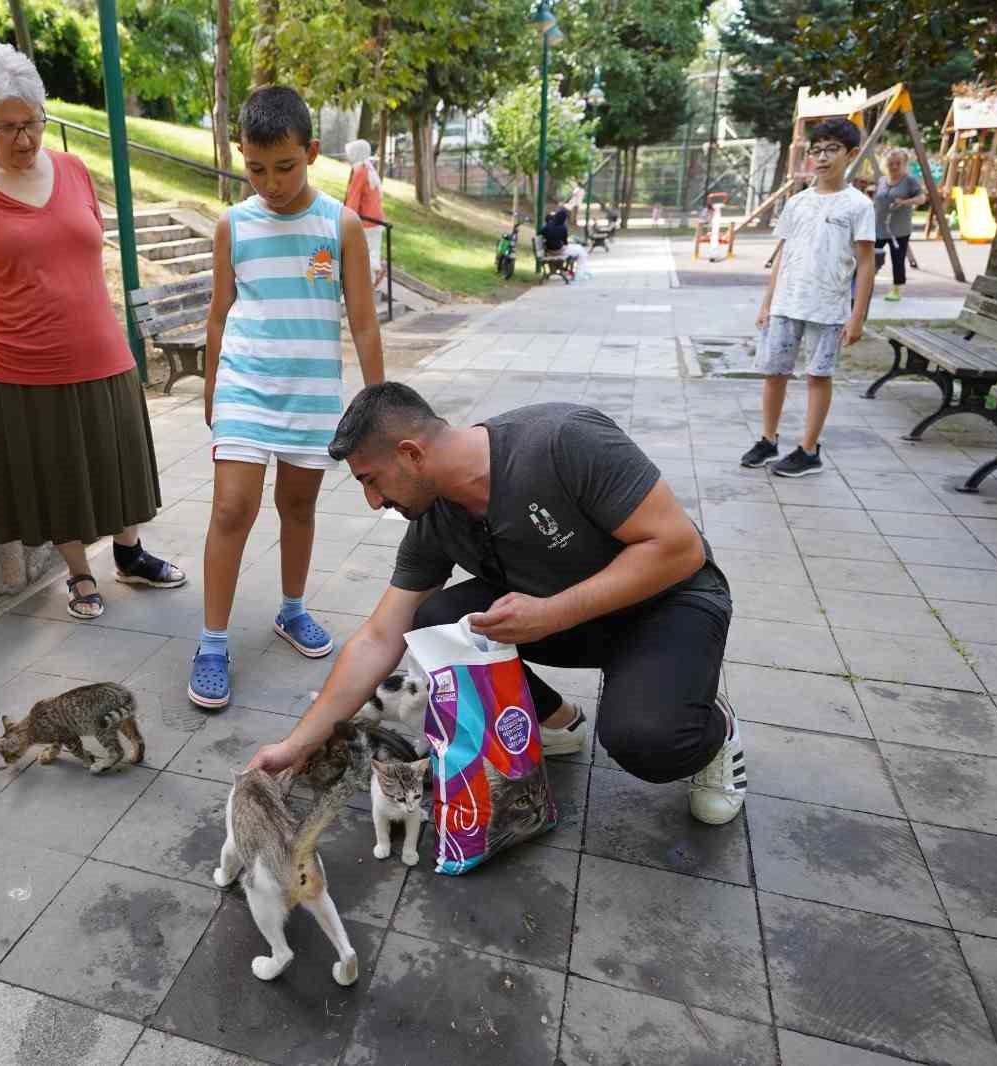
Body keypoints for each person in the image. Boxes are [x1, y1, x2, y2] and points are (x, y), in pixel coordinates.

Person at [246, 383, 745, 825]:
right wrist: (296, 745)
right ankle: (558, 722)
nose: (373, 502)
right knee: (437, 618)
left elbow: (680, 548)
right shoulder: (435, 518)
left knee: (647, 741)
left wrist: (551, 613)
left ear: (411, 453)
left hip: (668, 603)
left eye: (370, 480)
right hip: (570, 613)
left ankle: (712, 729)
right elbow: (380, 636)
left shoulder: (563, 439)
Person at [0, 44, 185, 621]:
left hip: (98, 346)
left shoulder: (74, 170)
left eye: (33, 123)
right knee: (56, 473)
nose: (24, 139)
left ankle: (129, 554)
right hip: (16, 359)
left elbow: (83, 252)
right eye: (8, 128)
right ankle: (78, 572)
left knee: (114, 460)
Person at [189, 86, 386, 710]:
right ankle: (212, 642)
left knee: (298, 507)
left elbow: (362, 322)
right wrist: (212, 384)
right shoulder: (233, 225)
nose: (270, 183)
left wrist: (377, 406)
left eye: (284, 167)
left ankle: (292, 610)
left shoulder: (339, 224)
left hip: (311, 392)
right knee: (232, 508)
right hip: (248, 383)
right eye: (254, 168)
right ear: (240, 156)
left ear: (311, 153)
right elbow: (219, 314)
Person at [740, 117, 876, 479]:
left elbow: (865, 265)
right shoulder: (797, 203)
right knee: (774, 373)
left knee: (818, 375)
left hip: (828, 306)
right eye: (816, 150)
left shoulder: (858, 206)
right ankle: (768, 440)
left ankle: (809, 450)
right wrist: (767, 301)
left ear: (851, 154)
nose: (822, 157)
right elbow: (782, 253)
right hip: (787, 302)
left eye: (832, 150)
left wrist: (858, 315)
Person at [873, 148, 925, 302]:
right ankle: (864, 284)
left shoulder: (910, 180)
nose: (894, 166)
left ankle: (896, 289)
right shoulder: (882, 180)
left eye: (898, 163)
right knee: (870, 257)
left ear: (904, 164)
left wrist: (905, 202)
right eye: (891, 163)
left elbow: (922, 198)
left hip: (899, 230)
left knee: (898, 259)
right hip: (879, 227)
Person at [342, 138, 386, 287]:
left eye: (350, 153)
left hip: (367, 221)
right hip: (376, 219)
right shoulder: (369, 169)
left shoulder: (359, 171)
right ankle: (374, 276)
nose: (348, 157)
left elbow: (353, 198)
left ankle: (369, 282)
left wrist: (345, 218)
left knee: (362, 252)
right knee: (372, 250)